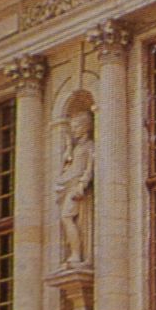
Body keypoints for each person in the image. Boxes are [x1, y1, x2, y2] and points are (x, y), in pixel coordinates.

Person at [55, 109, 95, 266]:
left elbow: (89, 168)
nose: (74, 130)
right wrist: (68, 148)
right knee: (67, 218)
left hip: (75, 187)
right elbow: (69, 164)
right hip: (68, 185)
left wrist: (82, 184)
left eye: (76, 127)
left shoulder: (89, 145)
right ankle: (75, 253)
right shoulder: (77, 147)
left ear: (85, 127)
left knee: (67, 218)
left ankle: (77, 254)